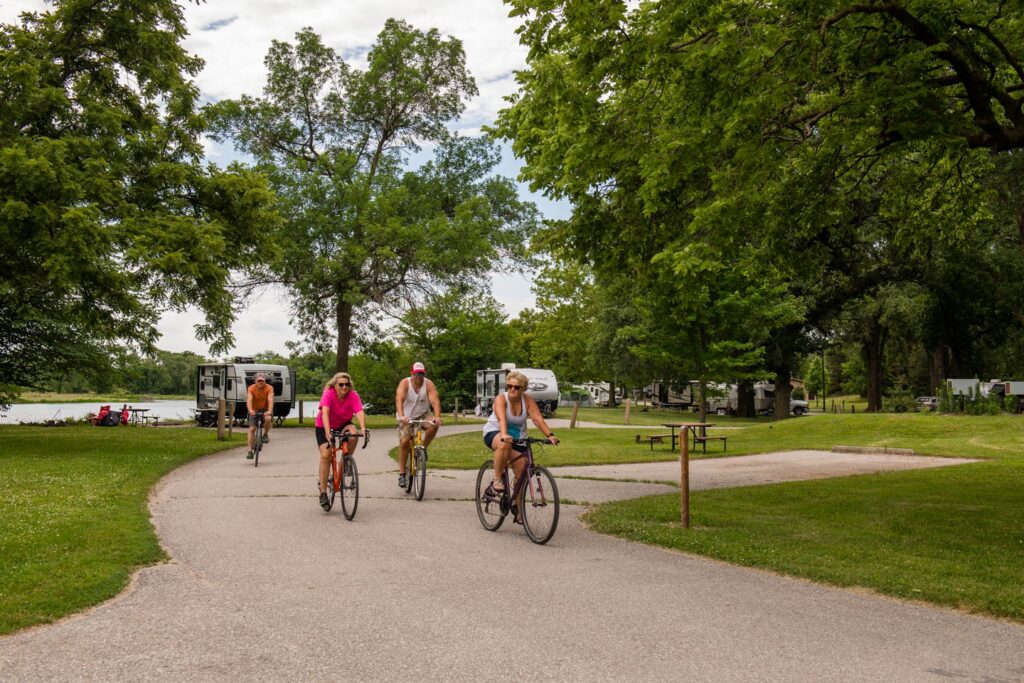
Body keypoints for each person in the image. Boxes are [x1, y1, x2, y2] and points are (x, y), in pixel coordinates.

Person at [482, 370, 558, 514]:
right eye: (509, 386)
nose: (512, 389)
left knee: (522, 474)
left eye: (516, 387)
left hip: (518, 438)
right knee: (505, 444)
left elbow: (537, 419)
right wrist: (504, 433)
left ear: (523, 388)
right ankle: (497, 480)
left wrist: (550, 435)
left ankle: (518, 509)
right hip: (495, 432)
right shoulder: (501, 399)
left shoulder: (528, 400)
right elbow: (501, 420)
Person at [316, 372, 368, 510]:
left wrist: (363, 428)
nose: (344, 387)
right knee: (326, 455)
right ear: (335, 385)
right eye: (341, 384)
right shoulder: (328, 393)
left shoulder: (353, 395)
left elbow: (359, 412)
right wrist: (328, 432)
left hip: (343, 423)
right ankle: (323, 492)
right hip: (324, 425)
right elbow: (325, 412)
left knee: (353, 433)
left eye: (347, 384)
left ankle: (346, 461)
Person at [395, 361, 442, 488]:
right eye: (416, 374)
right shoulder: (405, 383)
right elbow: (399, 400)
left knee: (434, 425)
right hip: (406, 416)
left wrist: (437, 417)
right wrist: (401, 416)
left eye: (421, 374)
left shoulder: (428, 384)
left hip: (423, 414)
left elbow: (435, 401)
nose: (419, 377)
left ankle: (423, 448)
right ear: (412, 374)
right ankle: (402, 474)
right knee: (405, 442)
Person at [246, 372, 274, 459]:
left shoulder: (269, 388)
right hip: (254, 410)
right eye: (258, 381)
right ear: (255, 381)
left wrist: (269, 411)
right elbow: (249, 399)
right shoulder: (251, 388)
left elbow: (270, 399)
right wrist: (250, 410)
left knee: (268, 418)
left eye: (262, 381)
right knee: (252, 429)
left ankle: (265, 434)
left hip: (265, 410)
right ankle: (250, 451)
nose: (260, 382)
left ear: (265, 381)